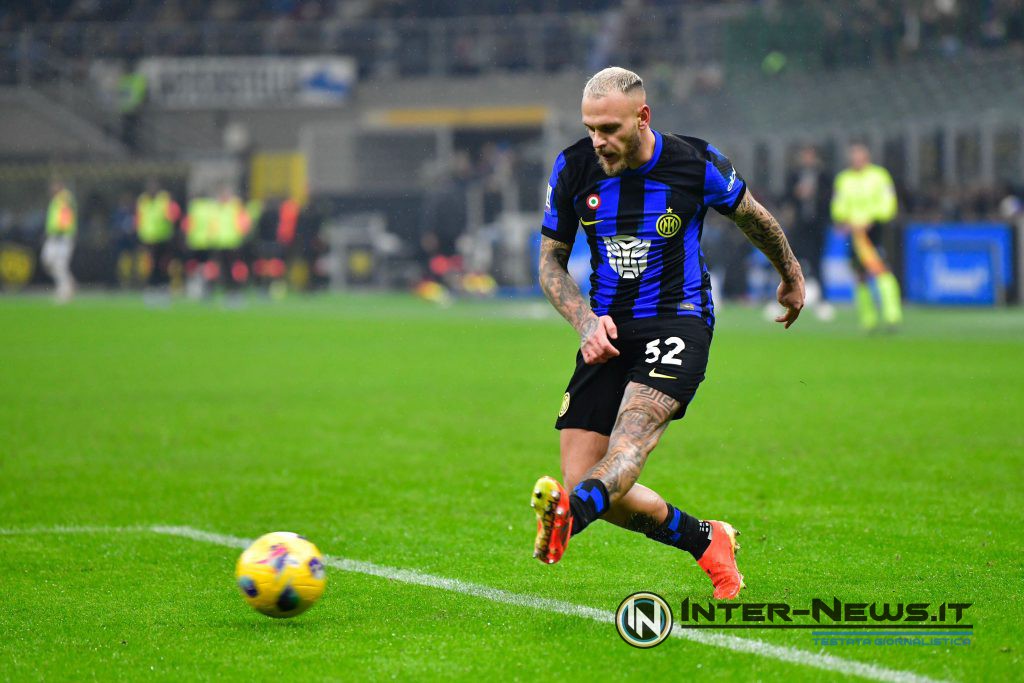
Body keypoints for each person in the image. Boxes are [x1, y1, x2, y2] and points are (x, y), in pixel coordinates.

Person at [531, 67, 804, 600]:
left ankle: (570, 518)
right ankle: (706, 540)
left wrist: (791, 275)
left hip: (678, 322)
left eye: (609, 128)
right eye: (590, 128)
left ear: (642, 116)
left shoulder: (693, 161)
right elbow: (550, 264)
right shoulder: (573, 167)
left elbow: (754, 218)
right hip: (606, 330)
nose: (598, 140)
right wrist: (585, 322)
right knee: (584, 478)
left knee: (631, 441)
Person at [830, 143, 902, 331]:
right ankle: (868, 319)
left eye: (860, 156)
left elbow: (889, 203)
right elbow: (838, 206)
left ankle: (892, 315)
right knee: (859, 274)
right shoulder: (843, 179)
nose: (856, 160)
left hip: (876, 230)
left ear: (867, 158)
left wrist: (872, 218)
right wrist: (844, 219)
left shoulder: (879, 176)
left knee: (882, 269)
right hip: (855, 233)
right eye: (853, 157)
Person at [783, 144, 834, 320]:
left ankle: (823, 302)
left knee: (817, 262)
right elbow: (785, 196)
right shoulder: (794, 175)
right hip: (799, 227)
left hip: (817, 226)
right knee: (790, 262)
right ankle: (784, 299)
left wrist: (815, 194)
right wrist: (796, 193)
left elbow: (830, 197)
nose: (807, 159)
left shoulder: (824, 176)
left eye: (810, 155)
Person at [40, 179, 77, 303]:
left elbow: (66, 217)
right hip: (53, 236)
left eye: (54, 185)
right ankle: (69, 283)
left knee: (60, 265)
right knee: (47, 261)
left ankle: (64, 291)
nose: (52, 188)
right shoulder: (56, 199)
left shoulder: (64, 198)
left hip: (62, 237)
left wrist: (61, 230)